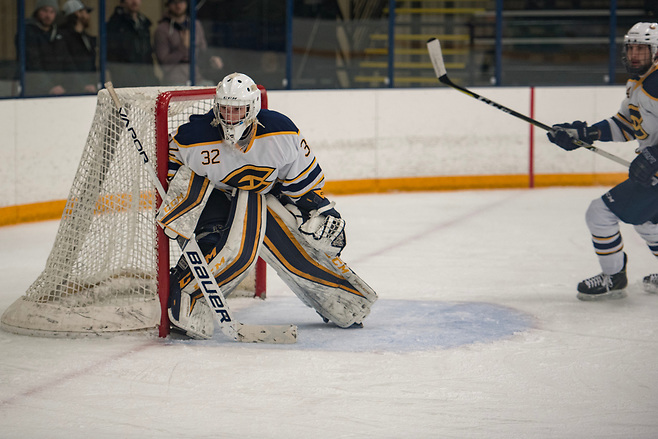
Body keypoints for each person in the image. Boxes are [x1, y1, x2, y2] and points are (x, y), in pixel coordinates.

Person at [159, 72, 377, 339]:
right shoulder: (192, 137)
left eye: (238, 110)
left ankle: (336, 295)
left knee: (298, 244)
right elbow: (173, 172)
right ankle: (189, 292)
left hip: (263, 197)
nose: (231, 117)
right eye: (225, 110)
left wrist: (316, 208)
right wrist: (186, 204)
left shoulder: (281, 132)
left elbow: (301, 184)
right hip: (214, 200)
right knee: (227, 249)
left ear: (252, 109)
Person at [547, 22, 658, 301]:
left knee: (600, 213)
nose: (634, 55)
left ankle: (614, 277)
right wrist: (585, 134)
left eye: (642, 50)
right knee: (646, 222)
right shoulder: (640, 82)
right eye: (631, 48)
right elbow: (626, 124)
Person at [154, 0, 223, 86]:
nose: (178, 5)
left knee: (213, 89)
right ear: (168, 5)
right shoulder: (162, 29)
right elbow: (164, 63)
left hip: (197, 78)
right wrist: (183, 47)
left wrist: (212, 60)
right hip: (174, 81)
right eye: (174, 2)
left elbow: (203, 52)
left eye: (181, 2)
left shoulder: (196, 25)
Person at [23, 0, 74, 95]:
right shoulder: (28, 32)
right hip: (34, 91)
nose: (48, 15)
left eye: (52, 12)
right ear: (37, 11)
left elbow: (68, 63)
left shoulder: (58, 34)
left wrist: (81, 85)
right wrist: (48, 86)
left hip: (58, 89)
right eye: (45, 11)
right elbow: (33, 63)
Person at [106, 0, 158, 87]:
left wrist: (152, 77)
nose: (134, 1)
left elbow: (148, 54)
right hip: (125, 79)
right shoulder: (115, 24)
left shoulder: (144, 23)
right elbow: (112, 56)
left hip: (145, 77)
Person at [60, 0, 97, 94]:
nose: (88, 16)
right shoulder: (63, 37)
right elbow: (68, 64)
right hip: (72, 90)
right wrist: (82, 85)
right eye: (86, 12)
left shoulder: (86, 38)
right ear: (78, 13)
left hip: (88, 88)